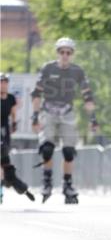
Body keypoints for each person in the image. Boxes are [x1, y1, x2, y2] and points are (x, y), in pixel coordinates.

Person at [31, 37, 99, 203]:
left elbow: (87, 96)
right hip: (48, 111)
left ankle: (67, 185)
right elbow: (36, 93)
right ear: (57, 53)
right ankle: (47, 182)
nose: (65, 55)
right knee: (47, 149)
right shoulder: (48, 68)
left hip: (67, 112)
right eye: (62, 52)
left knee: (68, 152)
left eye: (68, 52)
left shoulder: (77, 71)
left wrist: (93, 119)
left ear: (72, 54)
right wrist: (34, 116)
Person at [1, 72, 35, 202]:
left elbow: (13, 113)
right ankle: (10, 184)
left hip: (4, 132)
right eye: (1, 82)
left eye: (5, 82)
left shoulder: (10, 98)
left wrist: (14, 124)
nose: (3, 85)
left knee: (4, 162)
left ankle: (6, 186)